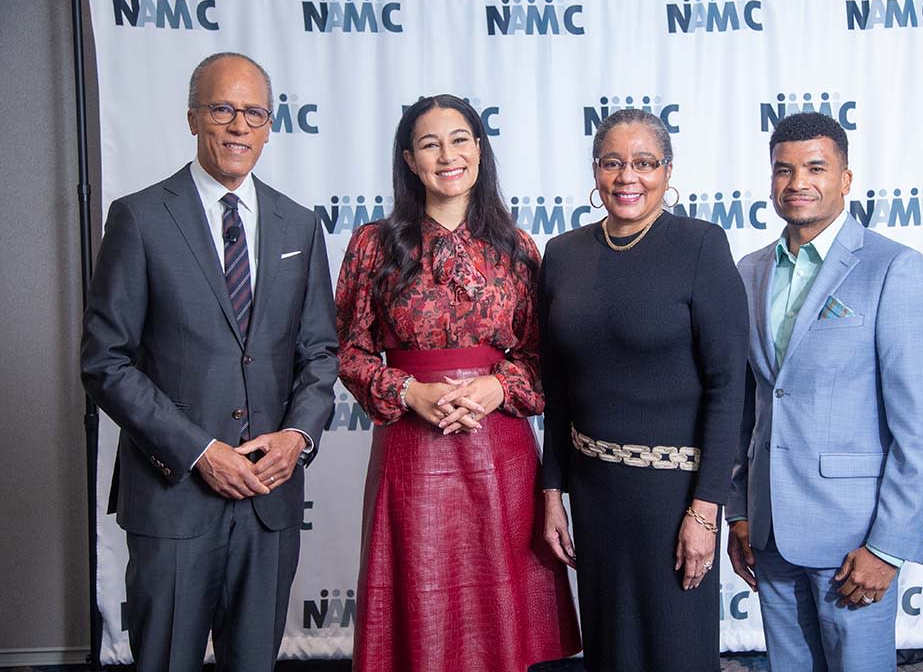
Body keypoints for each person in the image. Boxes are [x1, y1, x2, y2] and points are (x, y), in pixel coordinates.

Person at [80, 52, 338, 671]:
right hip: (174, 498)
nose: (238, 126)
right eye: (222, 109)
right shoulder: (140, 218)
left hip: (268, 500)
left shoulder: (299, 225)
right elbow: (105, 361)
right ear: (193, 118)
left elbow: (320, 352)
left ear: (271, 125)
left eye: (254, 113)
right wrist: (200, 451)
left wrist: (298, 436)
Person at [335, 94, 581, 672]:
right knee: (420, 607)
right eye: (430, 143)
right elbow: (347, 350)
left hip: (500, 451)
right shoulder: (374, 244)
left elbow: (544, 354)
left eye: (460, 139)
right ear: (409, 160)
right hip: (412, 450)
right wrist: (408, 392)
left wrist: (500, 387)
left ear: (479, 149)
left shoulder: (518, 248)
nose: (448, 155)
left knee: (499, 619)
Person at [725, 112, 923, 671]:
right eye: (784, 170)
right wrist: (739, 512)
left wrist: (888, 547)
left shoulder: (893, 268)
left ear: (846, 179)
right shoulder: (749, 271)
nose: (798, 182)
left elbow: (919, 426)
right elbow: (744, 404)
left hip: (855, 542)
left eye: (816, 168)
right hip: (770, 532)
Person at [539, 108, 749, 672]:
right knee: (610, 650)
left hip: (675, 498)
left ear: (668, 170)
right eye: (613, 162)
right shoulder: (562, 255)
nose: (627, 177)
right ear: (595, 170)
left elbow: (729, 389)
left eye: (644, 162)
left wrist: (706, 511)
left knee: (673, 650)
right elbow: (557, 388)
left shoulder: (701, 247)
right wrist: (551, 490)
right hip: (593, 490)